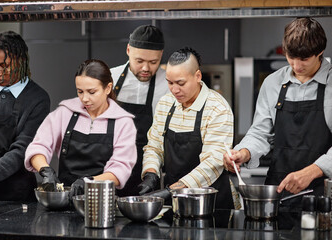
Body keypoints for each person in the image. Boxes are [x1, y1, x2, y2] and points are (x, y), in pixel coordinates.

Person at [223, 18, 332, 200]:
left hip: (324, 195)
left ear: (320, 52)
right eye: (291, 57)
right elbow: (260, 133)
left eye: (304, 59)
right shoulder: (273, 83)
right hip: (278, 193)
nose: (296, 66)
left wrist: (313, 171)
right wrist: (243, 152)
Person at [138, 47, 239, 209]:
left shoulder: (217, 109)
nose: (174, 90)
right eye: (170, 83)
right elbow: (154, 147)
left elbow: (213, 163)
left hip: (212, 203)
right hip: (176, 200)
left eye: (180, 83)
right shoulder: (166, 103)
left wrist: (172, 190)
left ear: (197, 76)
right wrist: (150, 174)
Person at [24, 59, 137, 196]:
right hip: (65, 200)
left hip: (101, 202)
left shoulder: (123, 122)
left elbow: (120, 169)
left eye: (91, 92)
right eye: (80, 91)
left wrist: (88, 182)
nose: (84, 98)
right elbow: (38, 146)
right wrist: (45, 170)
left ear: (107, 88)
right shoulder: (64, 113)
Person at [0, 31, 50, 201]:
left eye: (4, 66)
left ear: (21, 60)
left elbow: (20, 151)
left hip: (16, 194)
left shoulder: (38, 99)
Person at [110, 25, 169, 196]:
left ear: (161, 55)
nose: (145, 68)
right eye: (139, 61)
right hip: (112, 168)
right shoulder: (109, 78)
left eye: (153, 62)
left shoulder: (167, 85)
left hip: (148, 171)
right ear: (128, 50)